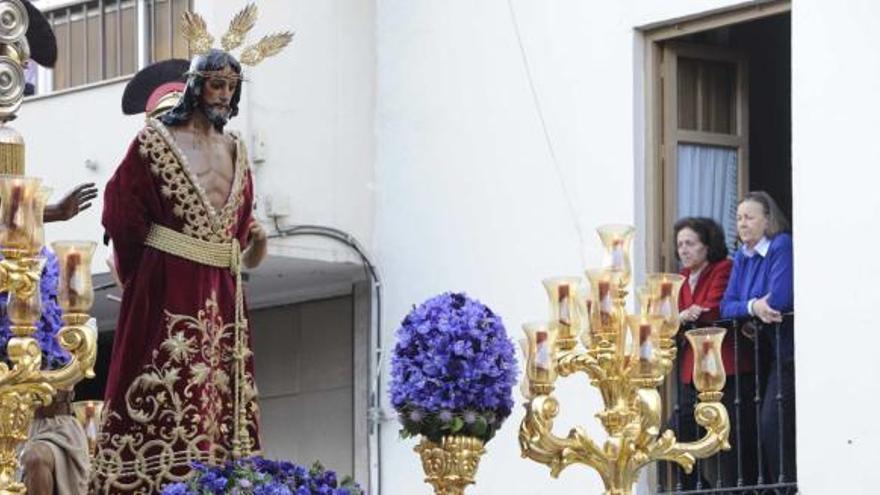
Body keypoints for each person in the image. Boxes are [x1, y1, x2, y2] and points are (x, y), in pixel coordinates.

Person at [92, 6, 290, 493]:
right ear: (195, 86)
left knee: (217, 404)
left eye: (230, 86)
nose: (223, 95)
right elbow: (120, 214)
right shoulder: (155, 143)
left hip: (223, 299)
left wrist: (255, 246)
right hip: (166, 290)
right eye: (215, 84)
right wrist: (140, 279)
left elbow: (242, 251)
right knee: (164, 391)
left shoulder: (239, 152)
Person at [672, 217, 757, 488]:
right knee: (672, 439)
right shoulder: (681, 278)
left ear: (707, 246)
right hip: (692, 372)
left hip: (727, 370)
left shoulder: (724, 268)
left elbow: (715, 308)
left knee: (731, 443)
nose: (683, 250)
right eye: (680, 245)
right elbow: (669, 319)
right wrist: (681, 317)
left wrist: (684, 317)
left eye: (690, 243)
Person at [721, 191, 795, 483]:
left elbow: (779, 298)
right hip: (760, 353)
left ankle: (787, 487)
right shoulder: (743, 255)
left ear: (768, 220)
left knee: (773, 424)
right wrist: (754, 306)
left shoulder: (780, 245)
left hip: (786, 352)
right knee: (754, 426)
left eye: (749, 217)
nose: (742, 224)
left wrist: (754, 309)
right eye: (739, 218)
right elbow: (727, 306)